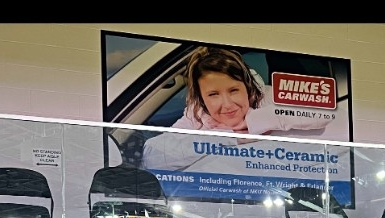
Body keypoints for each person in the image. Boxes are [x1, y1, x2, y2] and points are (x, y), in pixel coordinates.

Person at [141, 46, 333, 171]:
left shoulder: (265, 97)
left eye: (234, 90)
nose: (227, 104)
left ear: (247, 87)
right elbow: (153, 155)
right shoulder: (197, 114)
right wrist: (228, 138)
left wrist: (255, 121)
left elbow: (323, 112)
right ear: (201, 98)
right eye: (213, 95)